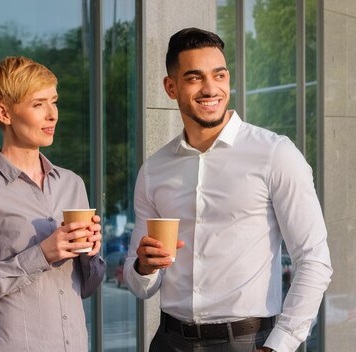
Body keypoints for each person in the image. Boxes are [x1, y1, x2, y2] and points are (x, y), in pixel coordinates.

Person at [123, 28, 332, 352]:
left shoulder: (275, 154)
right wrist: (143, 267)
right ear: (171, 86)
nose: (211, 88)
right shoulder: (154, 170)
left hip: (249, 343)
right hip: (169, 342)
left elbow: (314, 259)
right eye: (194, 78)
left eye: (219, 75)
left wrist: (280, 344)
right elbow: (139, 284)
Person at [0, 56, 105, 352]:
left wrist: (90, 254)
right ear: (4, 113)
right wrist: (42, 254)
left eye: (54, 101)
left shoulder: (72, 184)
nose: (53, 115)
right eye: (38, 104)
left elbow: (86, 287)